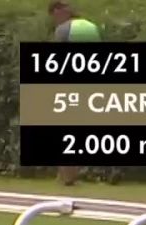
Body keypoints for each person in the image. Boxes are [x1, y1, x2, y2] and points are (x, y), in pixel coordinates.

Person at [49, 1, 102, 187]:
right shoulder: (91, 27)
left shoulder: (63, 30)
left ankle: (67, 177)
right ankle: (70, 176)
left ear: (57, 12)